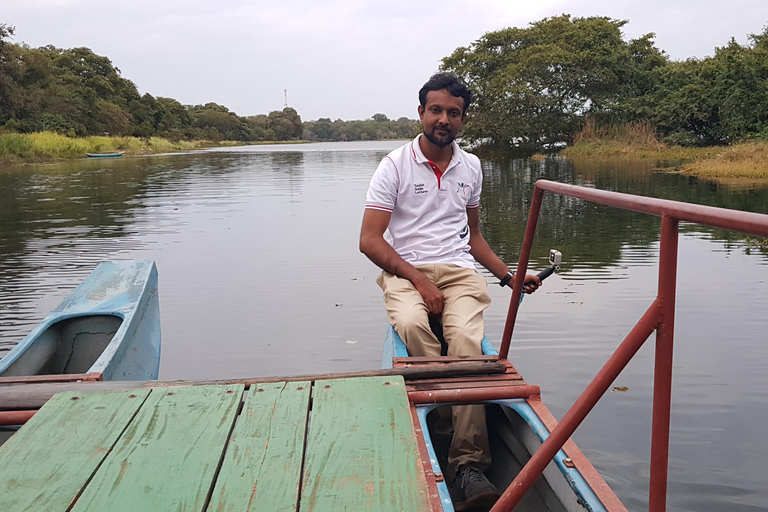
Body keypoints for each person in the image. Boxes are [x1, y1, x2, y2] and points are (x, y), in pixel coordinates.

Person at [359, 73, 541, 511]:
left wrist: (508, 275)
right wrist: (419, 281)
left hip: (458, 271)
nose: (444, 119)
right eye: (436, 110)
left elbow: (472, 236)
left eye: (453, 113)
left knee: (465, 344)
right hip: (406, 270)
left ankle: (468, 463)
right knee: (411, 325)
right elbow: (370, 240)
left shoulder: (471, 166)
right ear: (421, 112)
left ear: (463, 119)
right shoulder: (394, 165)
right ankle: (441, 426)